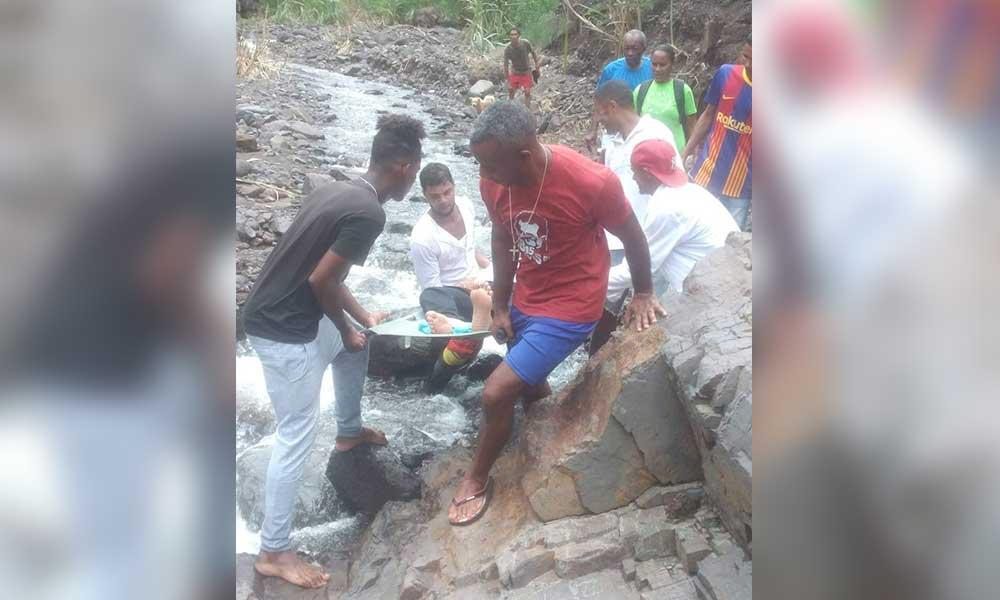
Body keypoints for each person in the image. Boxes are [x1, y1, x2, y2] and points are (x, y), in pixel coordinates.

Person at [449, 100, 664, 526]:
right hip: (526, 296)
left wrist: (643, 292)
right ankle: (542, 435)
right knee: (529, 385)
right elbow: (502, 237)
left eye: (490, 165)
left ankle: (477, 476)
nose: (483, 174)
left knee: (495, 392)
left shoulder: (591, 182)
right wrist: (501, 305)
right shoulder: (495, 180)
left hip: (571, 307)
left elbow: (633, 236)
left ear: (523, 156)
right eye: (480, 164)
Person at [241, 115, 426, 588]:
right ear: (404, 167)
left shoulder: (339, 190)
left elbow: (328, 275)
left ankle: (349, 432)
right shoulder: (370, 213)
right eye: (417, 167)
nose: (416, 178)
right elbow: (320, 280)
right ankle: (273, 551)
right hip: (282, 328)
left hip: (287, 313)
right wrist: (344, 328)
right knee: (296, 433)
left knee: (355, 347)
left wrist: (361, 319)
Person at [591, 139, 738, 353]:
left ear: (648, 173)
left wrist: (587, 287)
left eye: (634, 172)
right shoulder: (688, 192)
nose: (633, 178)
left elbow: (638, 269)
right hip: (723, 280)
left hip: (709, 296)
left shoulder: (667, 208)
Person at [409, 162, 493, 392]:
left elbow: (469, 247)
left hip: (480, 287)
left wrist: (487, 264)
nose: (444, 200)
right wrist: (464, 285)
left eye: (447, 192)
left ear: (454, 186)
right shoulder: (422, 237)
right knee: (429, 297)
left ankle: (479, 321)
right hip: (452, 298)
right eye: (435, 197)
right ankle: (458, 327)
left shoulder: (466, 206)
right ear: (425, 196)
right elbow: (433, 288)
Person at [593, 80, 679, 265]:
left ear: (612, 107)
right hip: (615, 239)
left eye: (600, 113)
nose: (598, 120)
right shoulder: (610, 138)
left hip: (649, 236)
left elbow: (674, 183)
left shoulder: (656, 133)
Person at [682, 37, 752, 230]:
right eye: (745, 56)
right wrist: (685, 152)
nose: (748, 64)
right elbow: (707, 115)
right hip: (705, 172)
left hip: (739, 186)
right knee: (693, 229)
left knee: (730, 240)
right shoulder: (725, 74)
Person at [587, 29, 654, 152]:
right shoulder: (611, 70)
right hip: (614, 132)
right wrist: (593, 130)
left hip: (644, 130)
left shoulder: (653, 68)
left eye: (634, 49)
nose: (630, 53)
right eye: (626, 49)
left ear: (643, 48)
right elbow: (599, 101)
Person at [634, 45, 698, 153]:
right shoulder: (640, 90)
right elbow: (633, 126)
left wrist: (692, 154)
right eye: (654, 64)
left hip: (675, 155)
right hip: (646, 155)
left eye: (662, 65)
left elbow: (692, 128)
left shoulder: (682, 90)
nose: (657, 69)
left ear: (672, 64)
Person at [503, 27, 540, 108]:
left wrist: (537, 65)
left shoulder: (525, 43)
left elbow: (533, 53)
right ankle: (511, 108)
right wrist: (508, 81)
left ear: (519, 35)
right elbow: (505, 65)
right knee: (511, 91)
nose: (513, 36)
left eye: (515, 34)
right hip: (515, 72)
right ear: (509, 36)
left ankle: (527, 110)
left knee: (527, 92)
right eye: (511, 35)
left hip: (526, 71)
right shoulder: (507, 49)